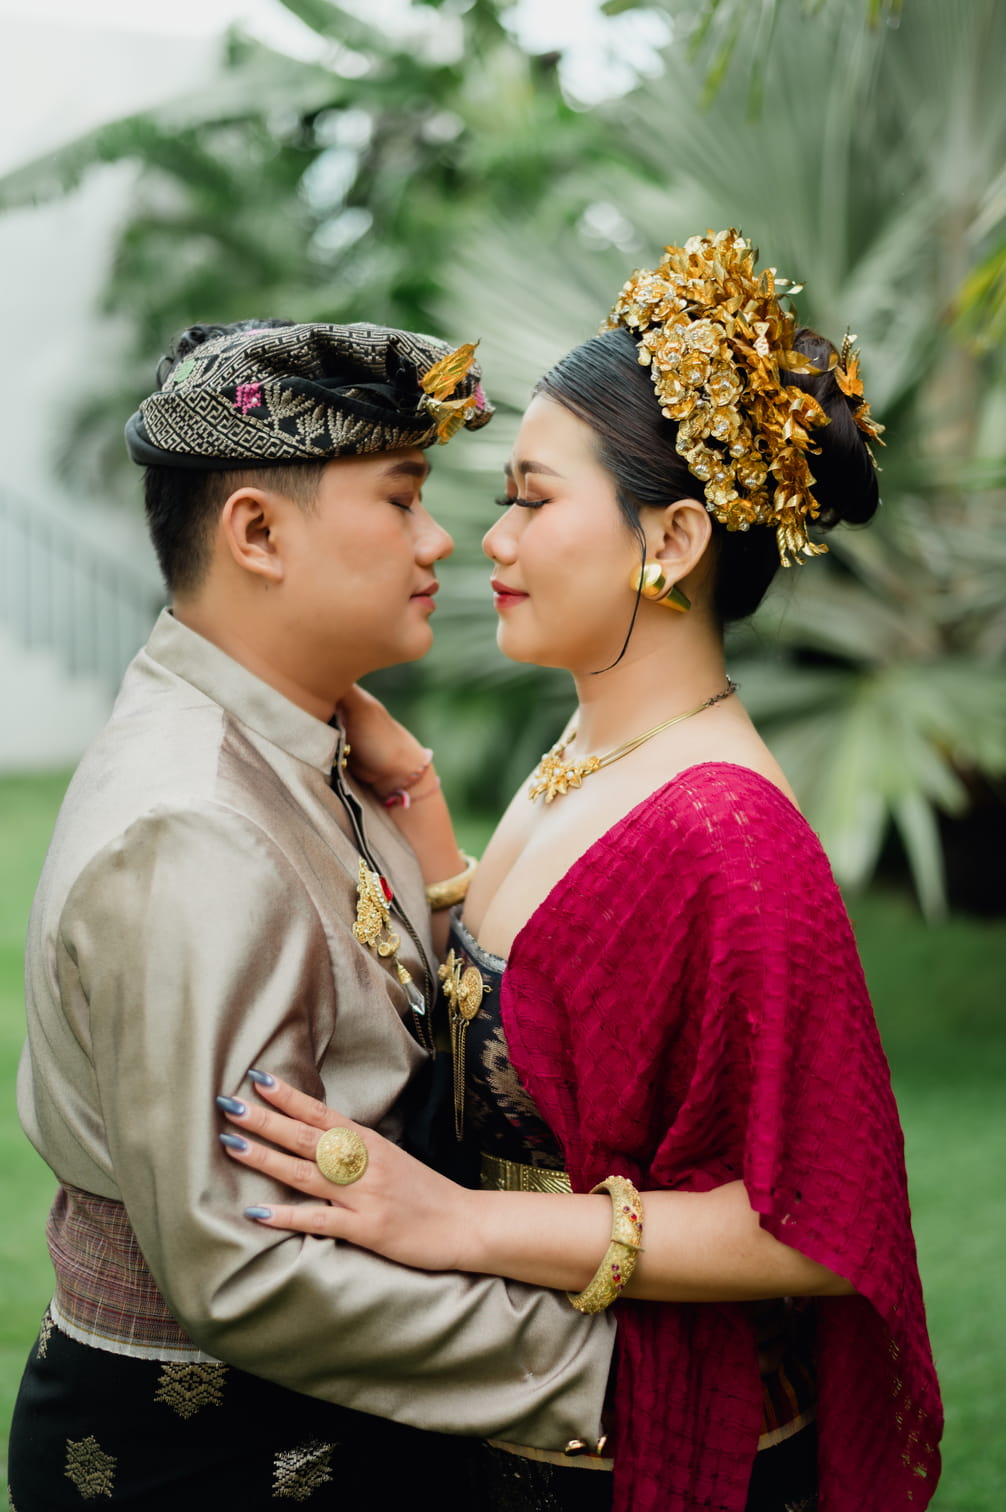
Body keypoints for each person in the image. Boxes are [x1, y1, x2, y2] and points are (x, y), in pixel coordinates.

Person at [217, 232, 944, 1512]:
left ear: (671, 538)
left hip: (645, 1440)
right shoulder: (590, 746)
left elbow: (817, 1223)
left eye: (533, 501)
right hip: (529, 1396)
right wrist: (419, 809)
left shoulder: (729, 834)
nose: (484, 540)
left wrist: (455, 1221)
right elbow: (539, 1008)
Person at [8, 319, 617, 1510]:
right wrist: (601, 1368)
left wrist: (419, 803)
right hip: (210, 1458)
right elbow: (246, 1268)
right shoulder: (193, 824)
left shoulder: (300, 745)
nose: (440, 539)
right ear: (256, 533)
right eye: (399, 498)